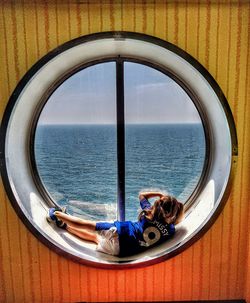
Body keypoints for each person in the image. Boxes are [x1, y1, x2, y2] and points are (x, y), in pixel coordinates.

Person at [47, 191, 184, 257]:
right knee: (95, 239)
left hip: (121, 233)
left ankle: (55, 214)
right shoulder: (171, 230)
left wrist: (159, 194)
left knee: (89, 225)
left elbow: (141, 195)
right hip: (122, 251)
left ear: (157, 205)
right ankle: (65, 226)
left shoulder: (148, 212)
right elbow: (173, 220)